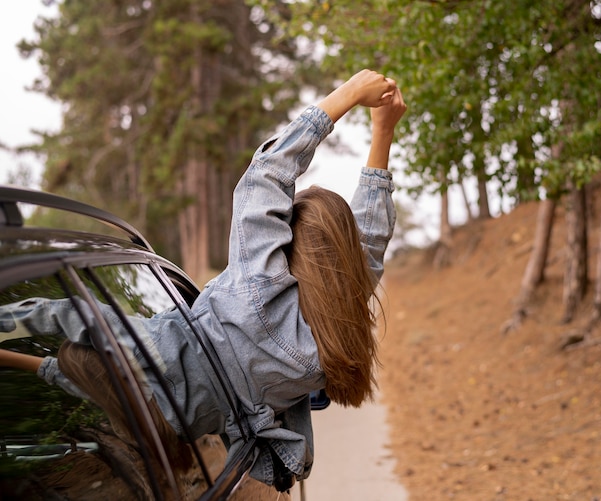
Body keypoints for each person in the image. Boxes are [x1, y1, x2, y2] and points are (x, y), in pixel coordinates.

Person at [0, 69, 406, 490]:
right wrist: (381, 130)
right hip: (190, 432)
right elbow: (368, 245)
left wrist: (351, 94)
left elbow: (268, 173)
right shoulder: (331, 333)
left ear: (290, 245)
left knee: (81, 337)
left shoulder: (259, 292)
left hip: (175, 417)